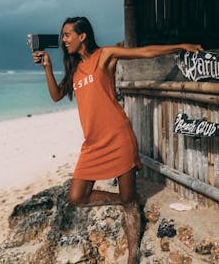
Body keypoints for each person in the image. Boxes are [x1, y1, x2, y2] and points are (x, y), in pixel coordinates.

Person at [32, 17, 202, 264]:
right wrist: (47, 66)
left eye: (68, 34)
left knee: (130, 207)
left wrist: (180, 46)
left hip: (119, 138)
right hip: (92, 145)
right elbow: (57, 96)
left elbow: (142, 53)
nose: (64, 39)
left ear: (83, 36)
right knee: (77, 196)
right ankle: (125, 198)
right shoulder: (75, 69)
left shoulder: (104, 56)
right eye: (63, 35)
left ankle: (133, 256)